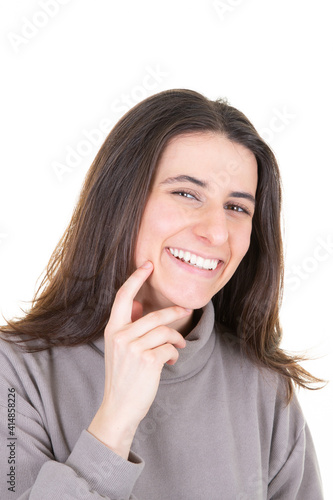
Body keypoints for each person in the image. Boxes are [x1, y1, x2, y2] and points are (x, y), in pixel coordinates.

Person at [0, 89, 325, 499]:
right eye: (187, 194)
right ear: (121, 201)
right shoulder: (11, 374)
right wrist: (115, 422)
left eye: (237, 207)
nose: (217, 231)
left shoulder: (266, 391)